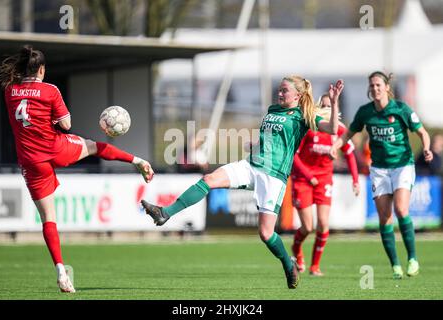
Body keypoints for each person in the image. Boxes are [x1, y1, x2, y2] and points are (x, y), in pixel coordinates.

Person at [142, 75, 344, 289]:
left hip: (273, 177)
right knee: (208, 179)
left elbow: (332, 130)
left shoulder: (304, 115)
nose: (280, 93)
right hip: (251, 165)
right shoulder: (273, 110)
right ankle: (164, 213)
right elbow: (272, 139)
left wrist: (334, 100)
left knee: (266, 234)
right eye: (280, 89)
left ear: (298, 95)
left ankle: (288, 264)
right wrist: (256, 145)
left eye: (285, 90)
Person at [0, 45, 154, 293]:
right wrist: (52, 117)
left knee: (49, 219)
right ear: (41, 69)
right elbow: (66, 125)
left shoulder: (10, 91)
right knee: (93, 146)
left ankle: (60, 269)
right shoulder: (50, 90)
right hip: (56, 147)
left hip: (30, 160)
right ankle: (138, 161)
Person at [340, 71, 433, 279]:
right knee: (385, 217)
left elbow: (422, 132)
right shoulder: (365, 112)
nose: (375, 89)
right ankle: (395, 266)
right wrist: (335, 146)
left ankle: (412, 258)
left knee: (401, 209)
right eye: (371, 86)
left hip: (402, 165)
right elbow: (349, 133)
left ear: (387, 87)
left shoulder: (401, 109)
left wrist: (426, 148)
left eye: (378, 85)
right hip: (379, 169)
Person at [291, 93, 360, 276]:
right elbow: (294, 155)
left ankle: (315, 266)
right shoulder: (310, 126)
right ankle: (296, 248)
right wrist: (307, 175)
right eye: (325, 106)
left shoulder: (339, 131)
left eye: (332, 106)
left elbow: (350, 154)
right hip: (303, 179)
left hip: (323, 179)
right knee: (307, 227)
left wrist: (355, 179)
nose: (328, 110)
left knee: (323, 224)